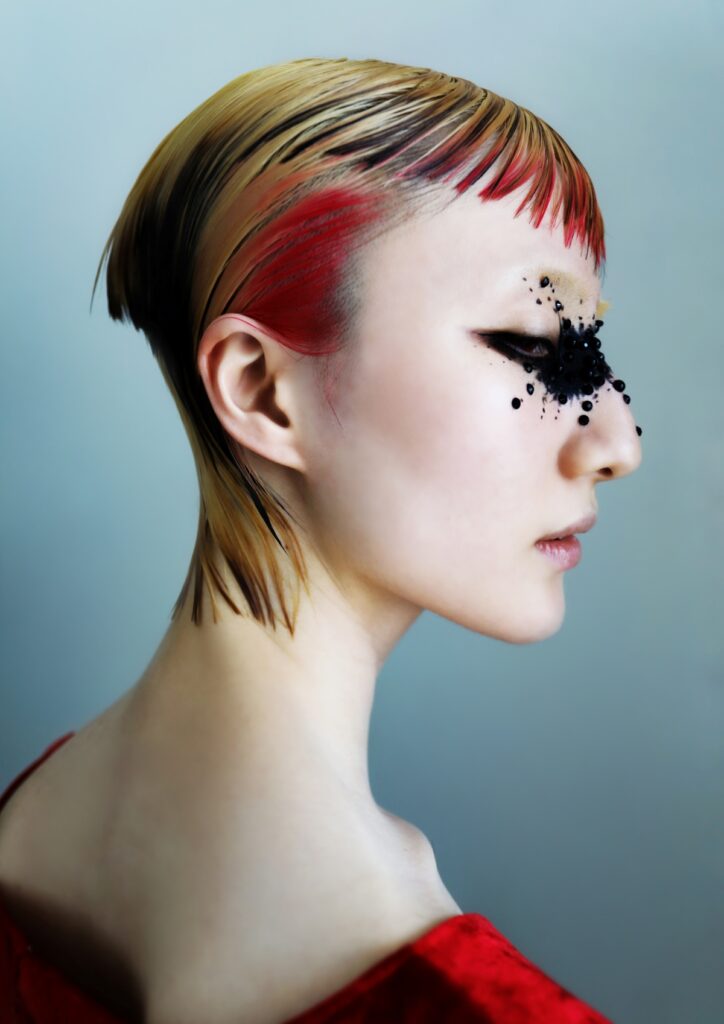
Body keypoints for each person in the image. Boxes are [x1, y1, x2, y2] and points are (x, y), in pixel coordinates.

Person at [0, 56, 641, 1023]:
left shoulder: (42, 809)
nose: (617, 443)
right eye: (531, 346)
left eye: (590, 350)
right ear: (260, 389)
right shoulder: (456, 1001)